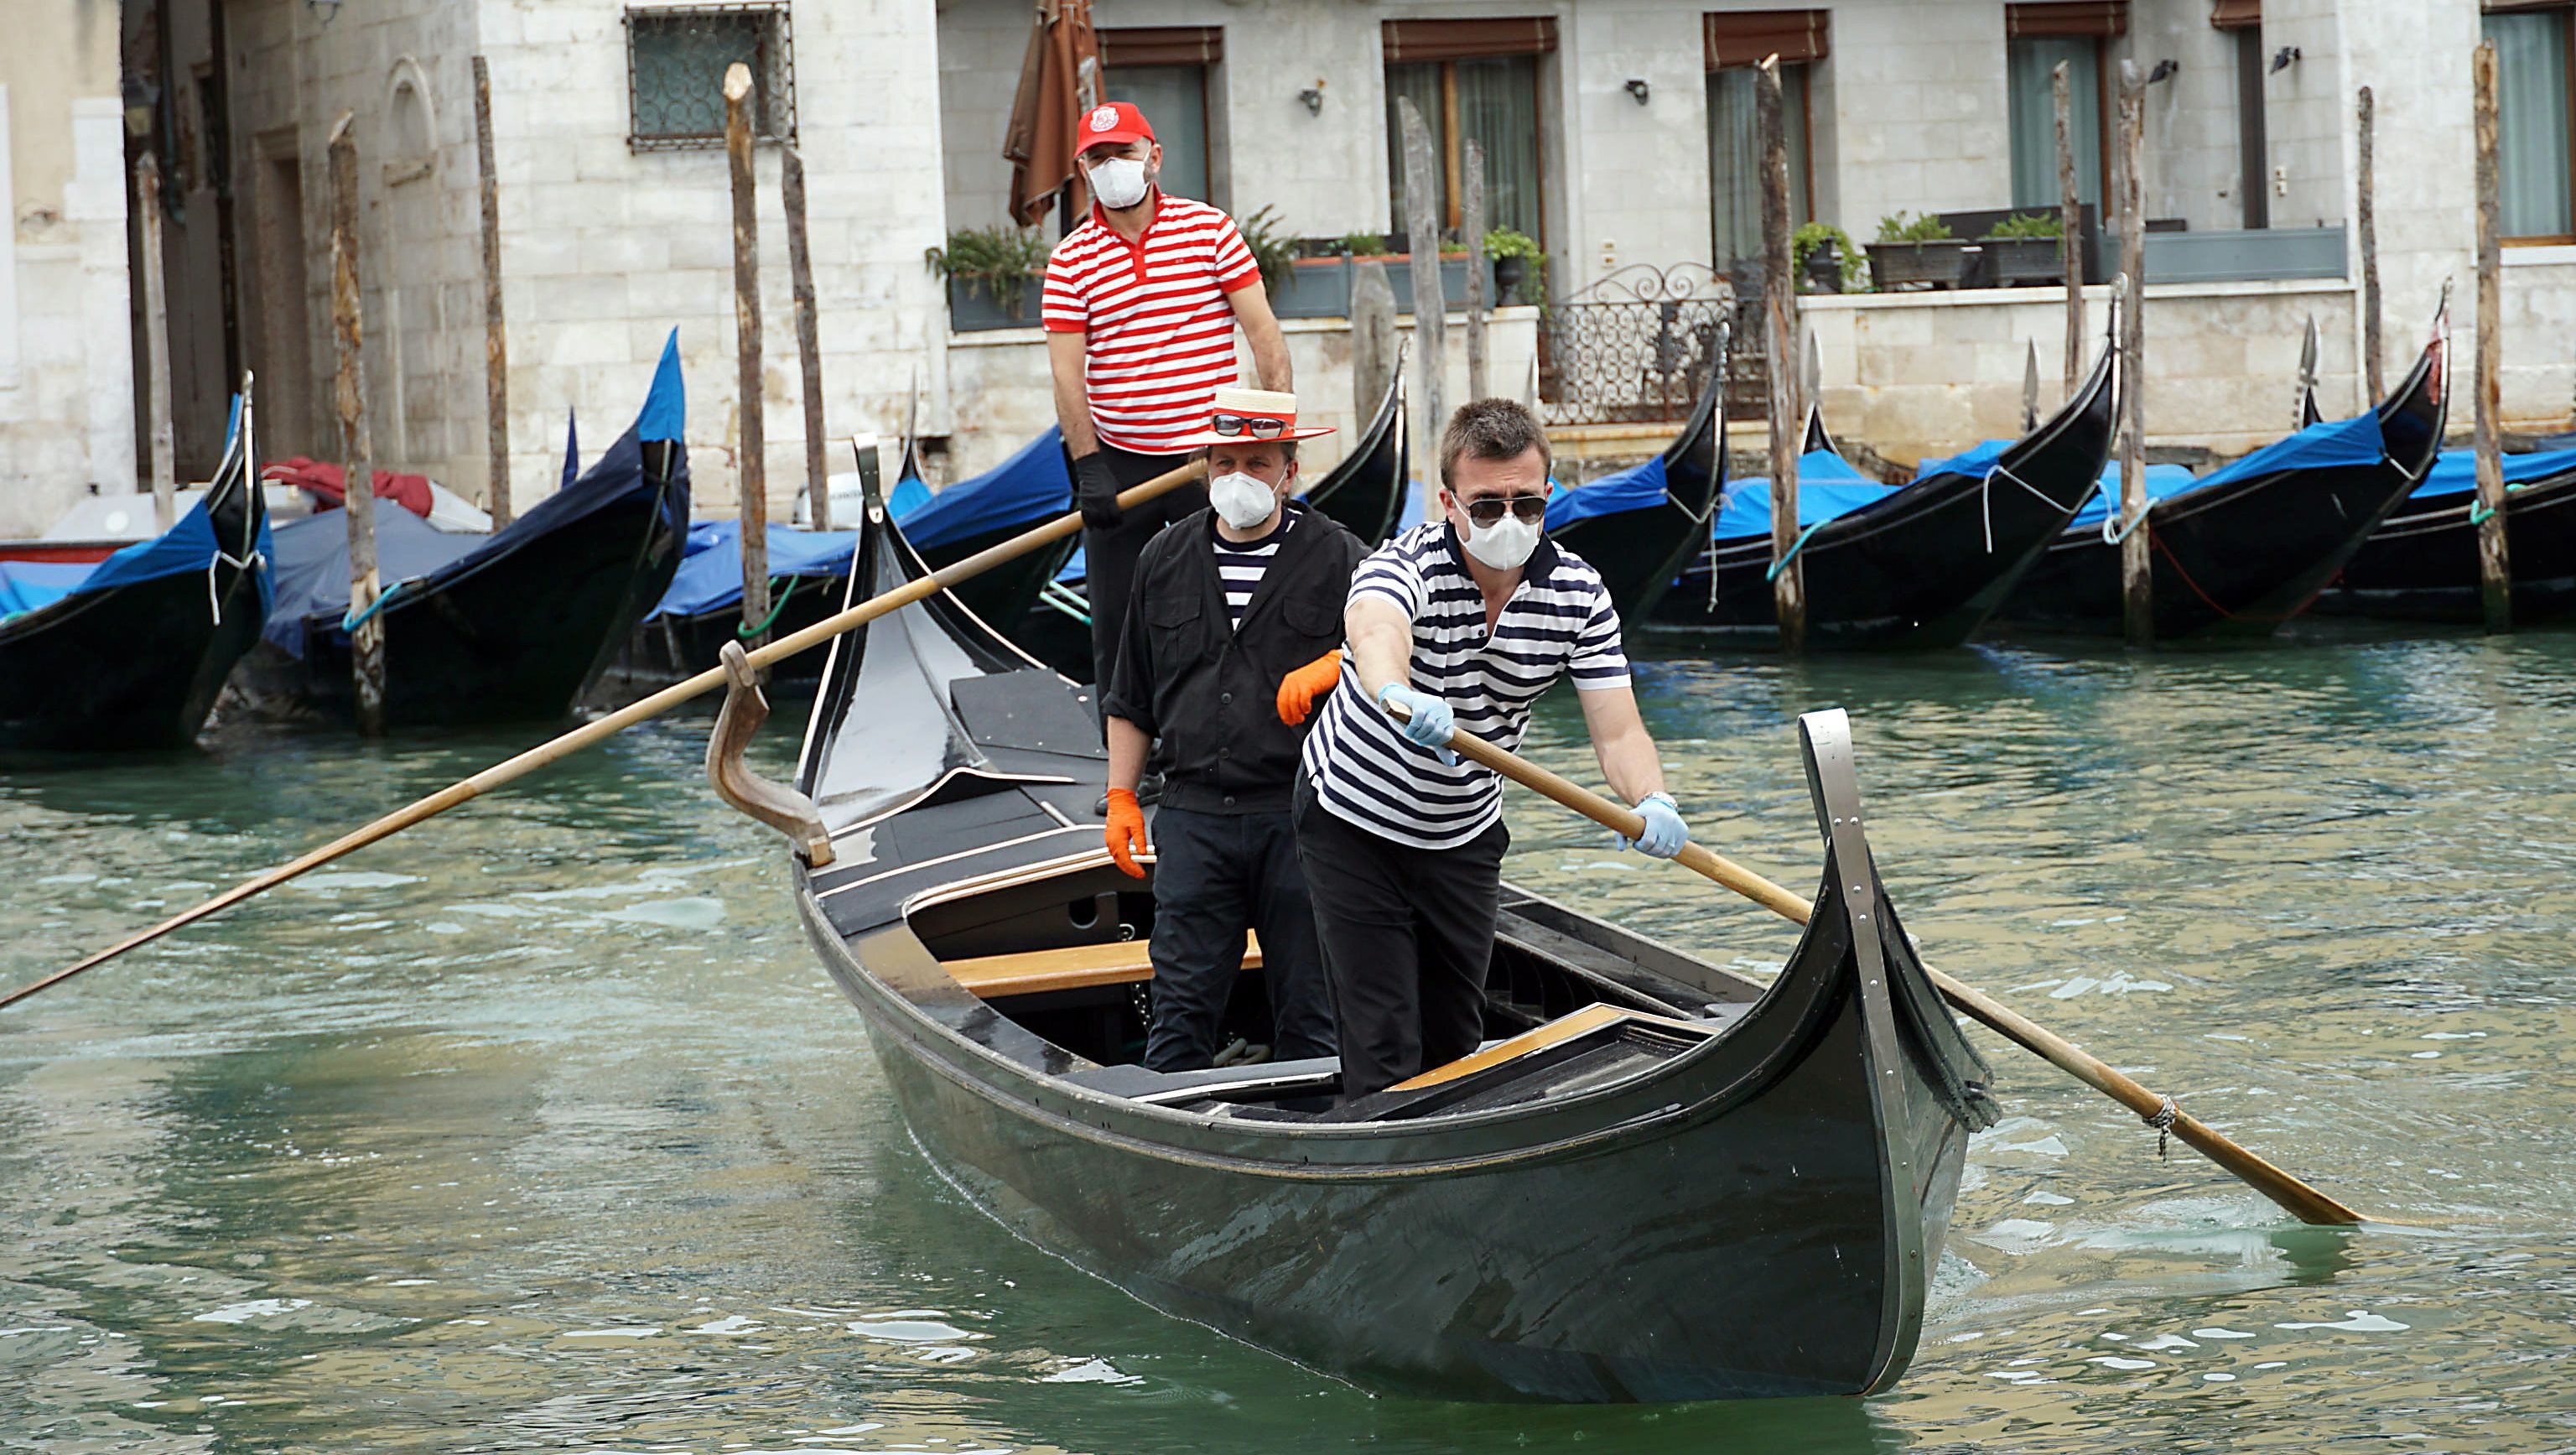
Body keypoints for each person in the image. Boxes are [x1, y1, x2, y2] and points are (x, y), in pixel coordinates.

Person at [1291, 398, 1691, 1100]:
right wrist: (1396, 693)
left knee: (1456, 1041)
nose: (1509, 522)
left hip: (1465, 828)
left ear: (1549, 495)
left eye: (1527, 505)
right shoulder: (1404, 563)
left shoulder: (1579, 593)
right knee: (1384, 1039)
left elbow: (1619, 730)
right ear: (1447, 501)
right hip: (1353, 819)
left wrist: (1650, 796)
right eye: (1485, 506)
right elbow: (1377, 628)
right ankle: (1388, 1180)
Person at [1098, 388, 1361, 1072]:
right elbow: (1132, 696)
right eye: (1224, 462)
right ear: (1204, 466)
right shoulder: (1162, 559)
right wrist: (1122, 796)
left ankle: (1325, 1143)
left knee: (1315, 1011)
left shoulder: (1342, 559)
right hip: (1192, 818)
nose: (1239, 476)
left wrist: (1342, 659)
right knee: (1181, 1010)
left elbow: (1398, 654)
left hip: (1305, 815)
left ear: (1289, 469)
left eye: (1257, 461)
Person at [1041, 100, 1293, 690]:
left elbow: (1265, 335)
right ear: (1084, 171)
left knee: (1227, 611)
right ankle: (1128, 775)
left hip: (1214, 459)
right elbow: (1065, 377)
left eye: (1121, 154)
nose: (1110, 166)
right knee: (1118, 624)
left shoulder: (1210, 231)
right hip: (1121, 464)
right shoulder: (1069, 262)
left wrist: (1277, 439)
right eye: (1097, 158)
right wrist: (1089, 468)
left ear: (1152, 157)